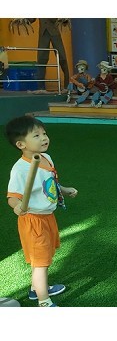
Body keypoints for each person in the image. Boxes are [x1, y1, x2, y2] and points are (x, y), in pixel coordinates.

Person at [5, 115, 78, 306]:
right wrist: (17, 206)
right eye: (36, 135)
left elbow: (50, 183)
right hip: (33, 220)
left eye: (44, 133)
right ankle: (44, 301)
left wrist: (64, 189)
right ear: (21, 144)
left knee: (44, 257)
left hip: (47, 216)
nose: (44, 138)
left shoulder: (45, 158)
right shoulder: (20, 169)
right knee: (41, 263)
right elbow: (12, 196)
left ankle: (35, 290)